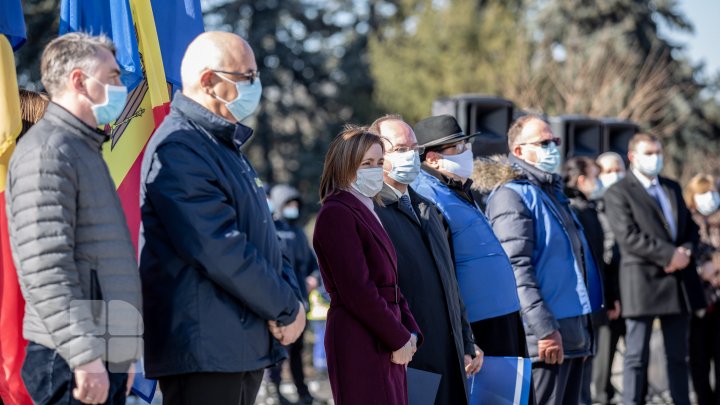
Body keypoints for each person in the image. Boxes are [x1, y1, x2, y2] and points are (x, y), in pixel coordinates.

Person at [139, 32, 306, 405]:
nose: (255, 85)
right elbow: (219, 247)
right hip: (205, 350)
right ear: (208, 80)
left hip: (238, 343)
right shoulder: (180, 147)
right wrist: (284, 306)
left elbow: (266, 236)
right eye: (246, 76)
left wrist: (292, 300)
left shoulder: (223, 146)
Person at [7, 33, 142, 405]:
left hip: (103, 351)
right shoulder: (48, 151)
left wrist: (122, 352)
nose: (121, 87)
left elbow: (104, 260)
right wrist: (84, 356)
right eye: (113, 77)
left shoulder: (82, 148)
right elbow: (47, 267)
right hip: (69, 358)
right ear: (80, 80)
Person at [484, 115, 603, 404]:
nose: (553, 148)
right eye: (544, 142)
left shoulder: (551, 193)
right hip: (547, 338)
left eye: (555, 142)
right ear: (519, 151)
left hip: (573, 333)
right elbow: (516, 269)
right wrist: (545, 329)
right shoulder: (511, 196)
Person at [370, 115, 482, 405]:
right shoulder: (371, 212)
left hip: (449, 353)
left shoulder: (428, 210)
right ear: (377, 154)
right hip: (407, 356)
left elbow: (449, 283)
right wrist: (395, 339)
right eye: (399, 149)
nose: (410, 155)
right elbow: (369, 291)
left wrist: (466, 339)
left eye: (414, 148)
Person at [313, 126, 423, 405]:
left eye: (378, 163)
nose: (375, 170)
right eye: (366, 164)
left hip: (384, 333)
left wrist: (409, 332)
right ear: (345, 166)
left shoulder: (367, 209)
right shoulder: (336, 212)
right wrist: (397, 336)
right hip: (361, 337)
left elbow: (391, 284)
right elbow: (358, 290)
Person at [409, 115, 527, 359]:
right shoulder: (429, 197)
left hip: (502, 314)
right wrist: (465, 337)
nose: (466, 152)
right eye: (458, 147)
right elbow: (444, 272)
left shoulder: (456, 189)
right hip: (478, 323)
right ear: (433, 158)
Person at [604, 133, 706, 405]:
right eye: (649, 153)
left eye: (659, 152)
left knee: (678, 356)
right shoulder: (619, 191)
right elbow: (628, 236)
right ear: (633, 156)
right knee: (636, 356)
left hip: (678, 283)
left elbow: (691, 229)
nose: (656, 158)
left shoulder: (671, 187)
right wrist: (669, 255)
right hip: (642, 282)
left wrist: (685, 250)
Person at [562, 157, 619, 405]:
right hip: (581, 302)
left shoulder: (589, 207)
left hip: (593, 300)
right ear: (582, 180)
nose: (598, 182)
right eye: (595, 177)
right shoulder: (575, 209)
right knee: (580, 376)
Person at [268, 184, 318, 405]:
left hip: (301, 303)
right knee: (278, 352)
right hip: (280, 303)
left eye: (295, 204)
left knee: (297, 351)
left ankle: (303, 392)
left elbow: (311, 263)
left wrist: (314, 278)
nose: (293, 208)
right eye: (288, 204)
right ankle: (274, 391)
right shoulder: (271, 229)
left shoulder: (298, 232)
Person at [593, 152, 627, 404]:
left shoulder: (633, 202)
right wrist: (612, 295)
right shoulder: (595, 207)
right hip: (609, 293)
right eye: (608, 171)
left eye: (619, 169)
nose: (614, 175)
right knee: (604, 357)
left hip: (636, 290)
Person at [683, 174, 720, 405]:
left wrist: (715, 265)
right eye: (703, 192)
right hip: (697, 302)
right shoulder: (688, 221)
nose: (709, 197)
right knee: (699, 358)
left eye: (712, 191)